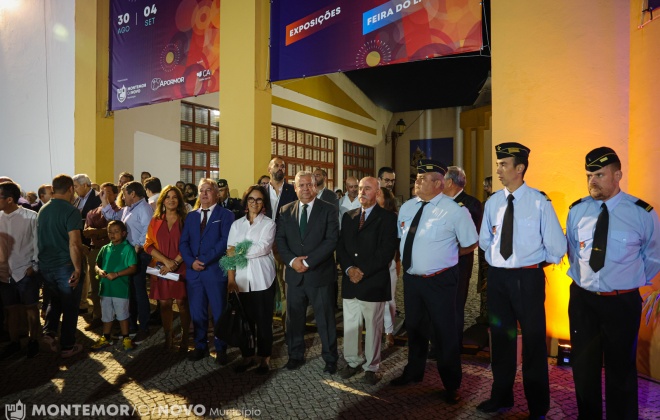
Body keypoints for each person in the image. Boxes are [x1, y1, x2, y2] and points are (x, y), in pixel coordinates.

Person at [566, 147, 660, 419]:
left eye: (599, 174)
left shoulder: (641, 213)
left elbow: (653, 257)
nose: (592, 181)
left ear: (618, 174)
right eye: (588, 175)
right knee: (584, 370)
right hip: (583, 300)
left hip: (621, 302)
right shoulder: (577, 210)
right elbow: (573, 251)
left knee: (621, 371)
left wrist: (626, 282)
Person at [478, 143, 566, 419]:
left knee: (534, 343)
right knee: (501, 341)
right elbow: (484, 241)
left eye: (504, 165)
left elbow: (557, 246)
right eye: (499, 164)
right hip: (498, 279)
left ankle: (537, 405)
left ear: (520, 168)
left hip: (528, 278)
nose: (499, 169)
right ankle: (501, 396)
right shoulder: (493, 202)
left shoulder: (540, 201)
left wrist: (535, 264)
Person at [390, 160, 478, 406]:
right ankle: (414, 372)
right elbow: (403, 238)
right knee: (415, 328)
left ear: (439, 183)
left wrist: (448, 256)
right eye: (416, 178)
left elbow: (471, 242)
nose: (416, 182)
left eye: (422, 178)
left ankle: (451, 384)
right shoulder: (408, 207)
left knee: (444, 333)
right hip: (412, 280)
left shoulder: (455, 210)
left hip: (440, 281)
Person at [275, 171, 339, 373]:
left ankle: (330, 358)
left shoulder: (328, 209)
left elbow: (331, 240)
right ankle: (295, 355)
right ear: (295, 188)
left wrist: (308, 263)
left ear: (315, 187)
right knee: (294, 319)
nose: (305, 189)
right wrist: (293, 261)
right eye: (300, 185)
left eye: (309, 185)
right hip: (294, 276)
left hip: (319, 274)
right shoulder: (285, 210)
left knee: (325, 319)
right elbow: (280, 240)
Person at [336, 177, 398, 384]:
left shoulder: (388, 218)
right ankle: (353, 361)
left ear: (378, 192)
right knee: (351, 325)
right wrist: (349, 269)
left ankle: (372, 366)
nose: (361, 192)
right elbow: (341, 247)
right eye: (360, 188)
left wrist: (362, 272)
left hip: (373, 281)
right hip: (350, 281)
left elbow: (386, 252)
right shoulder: (348, 216)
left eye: (367, 189)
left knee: (373, 326)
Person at [180, 178, 234, 364]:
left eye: (208, 190)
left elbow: (224, 241)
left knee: (219, 312)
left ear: (217, 194)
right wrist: (190, 262)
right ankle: (200, 346)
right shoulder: (192, 216)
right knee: (197, 312)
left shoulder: (226, 215)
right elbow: (183, 242)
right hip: (194, 273)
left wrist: (203, 260)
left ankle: (221, 348)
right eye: (201, 190)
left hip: (214, 271)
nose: (204, 193)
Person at [226, 185, 276, 375]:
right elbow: (229, 254)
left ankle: (264, 359)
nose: (255, 203)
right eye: (251, 199)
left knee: (263, 322)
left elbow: (262, 249)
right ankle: (247, 356)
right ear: (246, 201)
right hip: (240, 281)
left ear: (264, 203)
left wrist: (238, 250)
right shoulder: (236, 225)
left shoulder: (269, 224)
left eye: (259, 200)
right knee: (244, 323)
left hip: (262, 280)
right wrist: (231, 280)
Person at [101, 180, 154, 344]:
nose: (123, 197)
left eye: (124, 194)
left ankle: (144, 327)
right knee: (129, 291)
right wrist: (105, 203)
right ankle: (131, 326)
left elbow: (147, 230)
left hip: (138, 253)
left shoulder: (144, 208)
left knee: (138, 292)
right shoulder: (128, 209)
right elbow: (113, 219)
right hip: (128, 253)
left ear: (132, 194)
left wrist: (137, 247)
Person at [38, 174, 85, 358]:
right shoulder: (71, 211)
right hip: (65, 265)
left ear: (52, 189)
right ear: (71, 189)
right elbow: (73, 243)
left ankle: (49, 334)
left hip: (46, 265)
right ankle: (67, 345)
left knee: (53, 301)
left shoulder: (44, 209)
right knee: (71, 306)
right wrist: (78, 268)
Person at [144, 185, 190, 351]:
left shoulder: (186, 220)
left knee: (183, 303)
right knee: (164, 304)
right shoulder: (156, 221)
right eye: (168, 197)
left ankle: (185, 337)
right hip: (161, 268)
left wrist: (175, 262)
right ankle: (168, 336)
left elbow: (190, 244)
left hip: (182, 266)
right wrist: (166, 262)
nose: (171, 200)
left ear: (179, 201)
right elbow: (148, 245)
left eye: (175, 197)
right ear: (162, 201)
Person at [0, 182, 40, 359]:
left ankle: (34, 341)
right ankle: (14, 342)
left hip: (25, 270)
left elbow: (39, 243)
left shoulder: (31, 216)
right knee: (11, 309)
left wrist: (35, 266)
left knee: (31, 308)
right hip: (3, 273)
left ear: (9, 199)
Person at [443, 166, 483, 346]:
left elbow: (472, 238)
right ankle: (439, 343)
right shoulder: (440, 202)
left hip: (460, 262)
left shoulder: (471, 204)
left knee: (456, 304)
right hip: (438, 263)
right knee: (440, 304)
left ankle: (453, 344)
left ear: (450, 182)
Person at [91, 221, 137, 352]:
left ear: (123, 233)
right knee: (106, 314)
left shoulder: (128, 249)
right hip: (105, 288)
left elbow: (133, 268)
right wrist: (99, 271)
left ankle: (126, 338)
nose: (112, 234)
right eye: (110, 232)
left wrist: (117, 274)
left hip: (121, 289)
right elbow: (97, 264)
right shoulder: (105, 248)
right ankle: (106, 337)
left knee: (122, 314)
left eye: (116, 231)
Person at [82, 182, 119, 331]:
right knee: (96, 286)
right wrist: (102, 232)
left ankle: (116, 317)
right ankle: (98, 315)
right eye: (102, 193)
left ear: (116, 194)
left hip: (113, 251)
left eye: (109, 192)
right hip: (96, 251)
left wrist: (97, 232)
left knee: (112, 285)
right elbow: (86, 232)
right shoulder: (92, 212)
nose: (104, 195)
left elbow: (115, 230)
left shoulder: (119, 211)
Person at [265, 157, 297, 318]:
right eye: (276, 165)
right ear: (269, 169)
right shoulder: (260, 191)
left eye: (282, 166)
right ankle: (267, 322)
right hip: (264, 246)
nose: (280, 168)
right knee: (266, 286)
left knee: (284, 285)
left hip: (285, 246)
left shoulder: (292, 191)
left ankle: (287, 324)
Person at [73, 174, 101, 315]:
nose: (74, 189)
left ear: (85, 185)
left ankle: (98, 311)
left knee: (93, 275)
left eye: (76, 186)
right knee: (81, 272)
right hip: (79, 241)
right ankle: (82, 303)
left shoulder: (97, 198)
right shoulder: (77, 200)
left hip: (93, 242)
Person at [377, 187, 399, 347]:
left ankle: (389, 331)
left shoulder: (393, 218)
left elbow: (395, 244)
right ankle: (375, 329)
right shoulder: (367, 214)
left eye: (378, 194)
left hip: (388, 264)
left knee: (388, 300)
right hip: (369, 265)